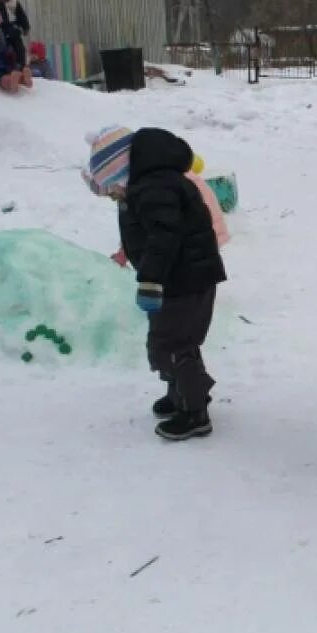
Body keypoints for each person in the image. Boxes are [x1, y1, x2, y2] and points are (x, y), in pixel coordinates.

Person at [81, 125, 228, 440]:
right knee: (172, 340)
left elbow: (164, 237)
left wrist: (150, 279)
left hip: (184, 279)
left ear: (122, 169)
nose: (115, 195)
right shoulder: (152, 181)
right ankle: (182, 394)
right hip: (183, 276)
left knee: (172, 344)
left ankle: (194, 410)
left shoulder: (153, 188)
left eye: (113, 187)